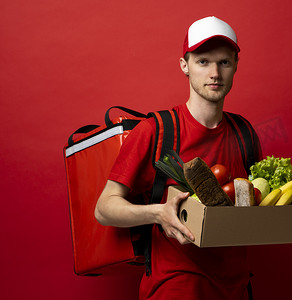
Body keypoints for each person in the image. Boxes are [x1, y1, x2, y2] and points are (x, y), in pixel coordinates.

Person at [95, 16, 262, 300]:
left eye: (224, 62)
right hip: (176, 287)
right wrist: (158, 213)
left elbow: (255, 206)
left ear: (235, 66)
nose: (215, 73)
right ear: (185, 66)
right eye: (203, 61)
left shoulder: (244, 132)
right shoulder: (156, 131)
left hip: (235, 287)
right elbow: (103, 209)